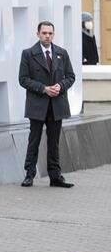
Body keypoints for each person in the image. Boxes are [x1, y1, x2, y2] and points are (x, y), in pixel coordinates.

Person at [19, 21, 76, 188]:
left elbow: (71, 76)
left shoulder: (61, 53)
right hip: (37, 104)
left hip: (57, 105)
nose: (47, 36)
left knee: (54, 142)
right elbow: (23, 79)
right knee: (34, 140)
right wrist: (43, 89)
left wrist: (60, 86)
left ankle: (55, 176)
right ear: (38, 34)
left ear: (53, 34)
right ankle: (29, 174)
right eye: (44, 33)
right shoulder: (28, 54)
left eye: (50, 33)